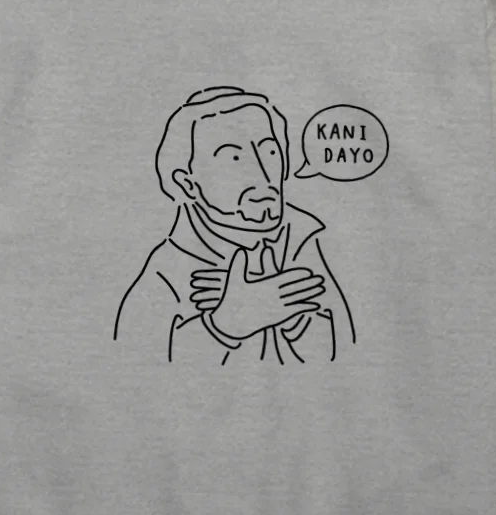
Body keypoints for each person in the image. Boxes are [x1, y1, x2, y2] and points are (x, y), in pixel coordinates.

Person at [114, 87, 355, 364]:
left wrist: (295, 321)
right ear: (188, 184)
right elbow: (131, 372)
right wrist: (225, 326)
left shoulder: (304, 243)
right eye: (234, 159)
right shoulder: (165, 275)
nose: (262, 176)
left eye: (270, 152)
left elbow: (353, 359)